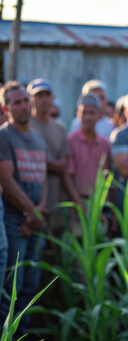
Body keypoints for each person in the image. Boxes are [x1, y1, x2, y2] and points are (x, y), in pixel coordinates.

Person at [0, 81, 47, 333]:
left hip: (35, 219)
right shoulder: (4, 136)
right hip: (14, 219)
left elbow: (44, 178)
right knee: (12, 284)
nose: (22, 106)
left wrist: (38, 208)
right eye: (15, 102)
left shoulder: (38, 138)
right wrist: (30, 212)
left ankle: (24, 333)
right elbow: (5, 180)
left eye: (24, 101)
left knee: (31, 283)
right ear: (6, 108)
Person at [27, 78, 73, 236]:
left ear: (52, 98)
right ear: (31, 99)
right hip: (29, 198)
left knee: (54, 243)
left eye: (47, 95)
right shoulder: (25, 126)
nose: (43, 99)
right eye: (39, 95)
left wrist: (39, 162)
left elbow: (63, 165)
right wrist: (51, 164)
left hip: (55, 196)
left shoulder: (60, 128)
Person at [66, 93, 111, 210]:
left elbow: (109, 178)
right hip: (78, 203)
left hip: (100, 204)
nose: (88, 117)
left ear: (99, 115)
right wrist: (79, 203)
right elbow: (67, 177)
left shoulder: (104, 144)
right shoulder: (71, 141)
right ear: (78, 115)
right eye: (84, 113)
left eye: (92, 113)